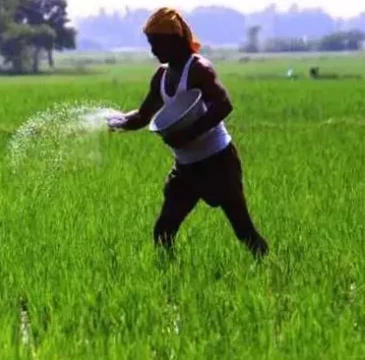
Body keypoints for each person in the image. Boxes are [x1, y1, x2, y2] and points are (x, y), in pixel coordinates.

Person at [106, 7, 269, 259]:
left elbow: (223, 104)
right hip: (186, 169)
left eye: (157, 43)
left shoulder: (199, 69)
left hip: (218, 163)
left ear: (174, 40)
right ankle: (170, 284)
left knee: (244, 231)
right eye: (151, 44)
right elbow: (142, 116)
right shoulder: (161, 75)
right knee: (163, 231)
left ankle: (272, 271)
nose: (153, 50)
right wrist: (116, 121)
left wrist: (188, 135)